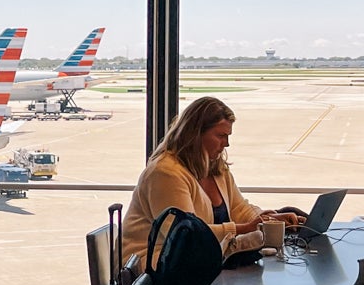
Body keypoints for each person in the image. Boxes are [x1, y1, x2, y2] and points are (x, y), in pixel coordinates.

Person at [121, 96, 304, 267]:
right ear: (195, 134)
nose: (226, 144)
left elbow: (239, 209)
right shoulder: (165, 173)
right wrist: (242, 229)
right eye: (221, 136)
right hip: (154, 267)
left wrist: (268, 219)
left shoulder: (215, 167)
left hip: (194, 263)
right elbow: (185, 236)